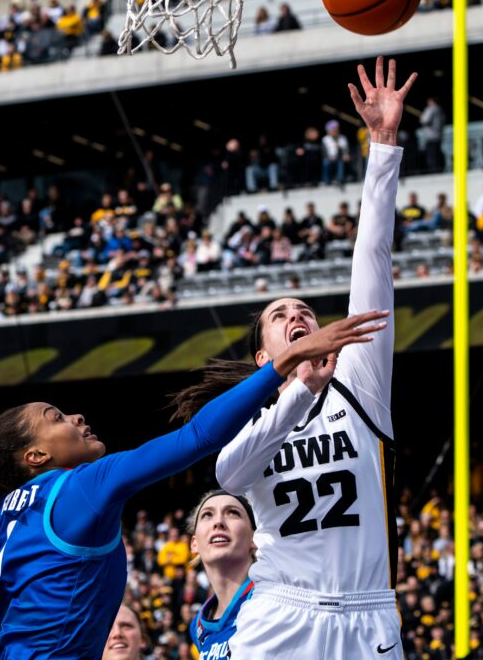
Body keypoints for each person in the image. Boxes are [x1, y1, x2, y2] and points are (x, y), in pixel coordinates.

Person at [0, 315, 385, 658]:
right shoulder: (84, 487)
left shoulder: (5, 518)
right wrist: (284, 364)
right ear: (36, 456)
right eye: (56, 416)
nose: (77, 415)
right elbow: (198, 437)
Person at [169, 57, 415, 660]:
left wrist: (382, 145)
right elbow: (229, 474)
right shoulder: (251, 415)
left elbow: (374, 256)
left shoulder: (360, 379)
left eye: (303, 310)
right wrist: (297, 388)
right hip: (281, 611)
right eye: (281, 317)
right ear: (262, 356)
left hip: (368, 614)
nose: (297, 317)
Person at [187, 491, 258, 660]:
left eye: (233, 513)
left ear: (255, 538)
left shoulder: (274, 598)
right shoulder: (198, 626)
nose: (218, 522)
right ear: (194, 543)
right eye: (207, 515)